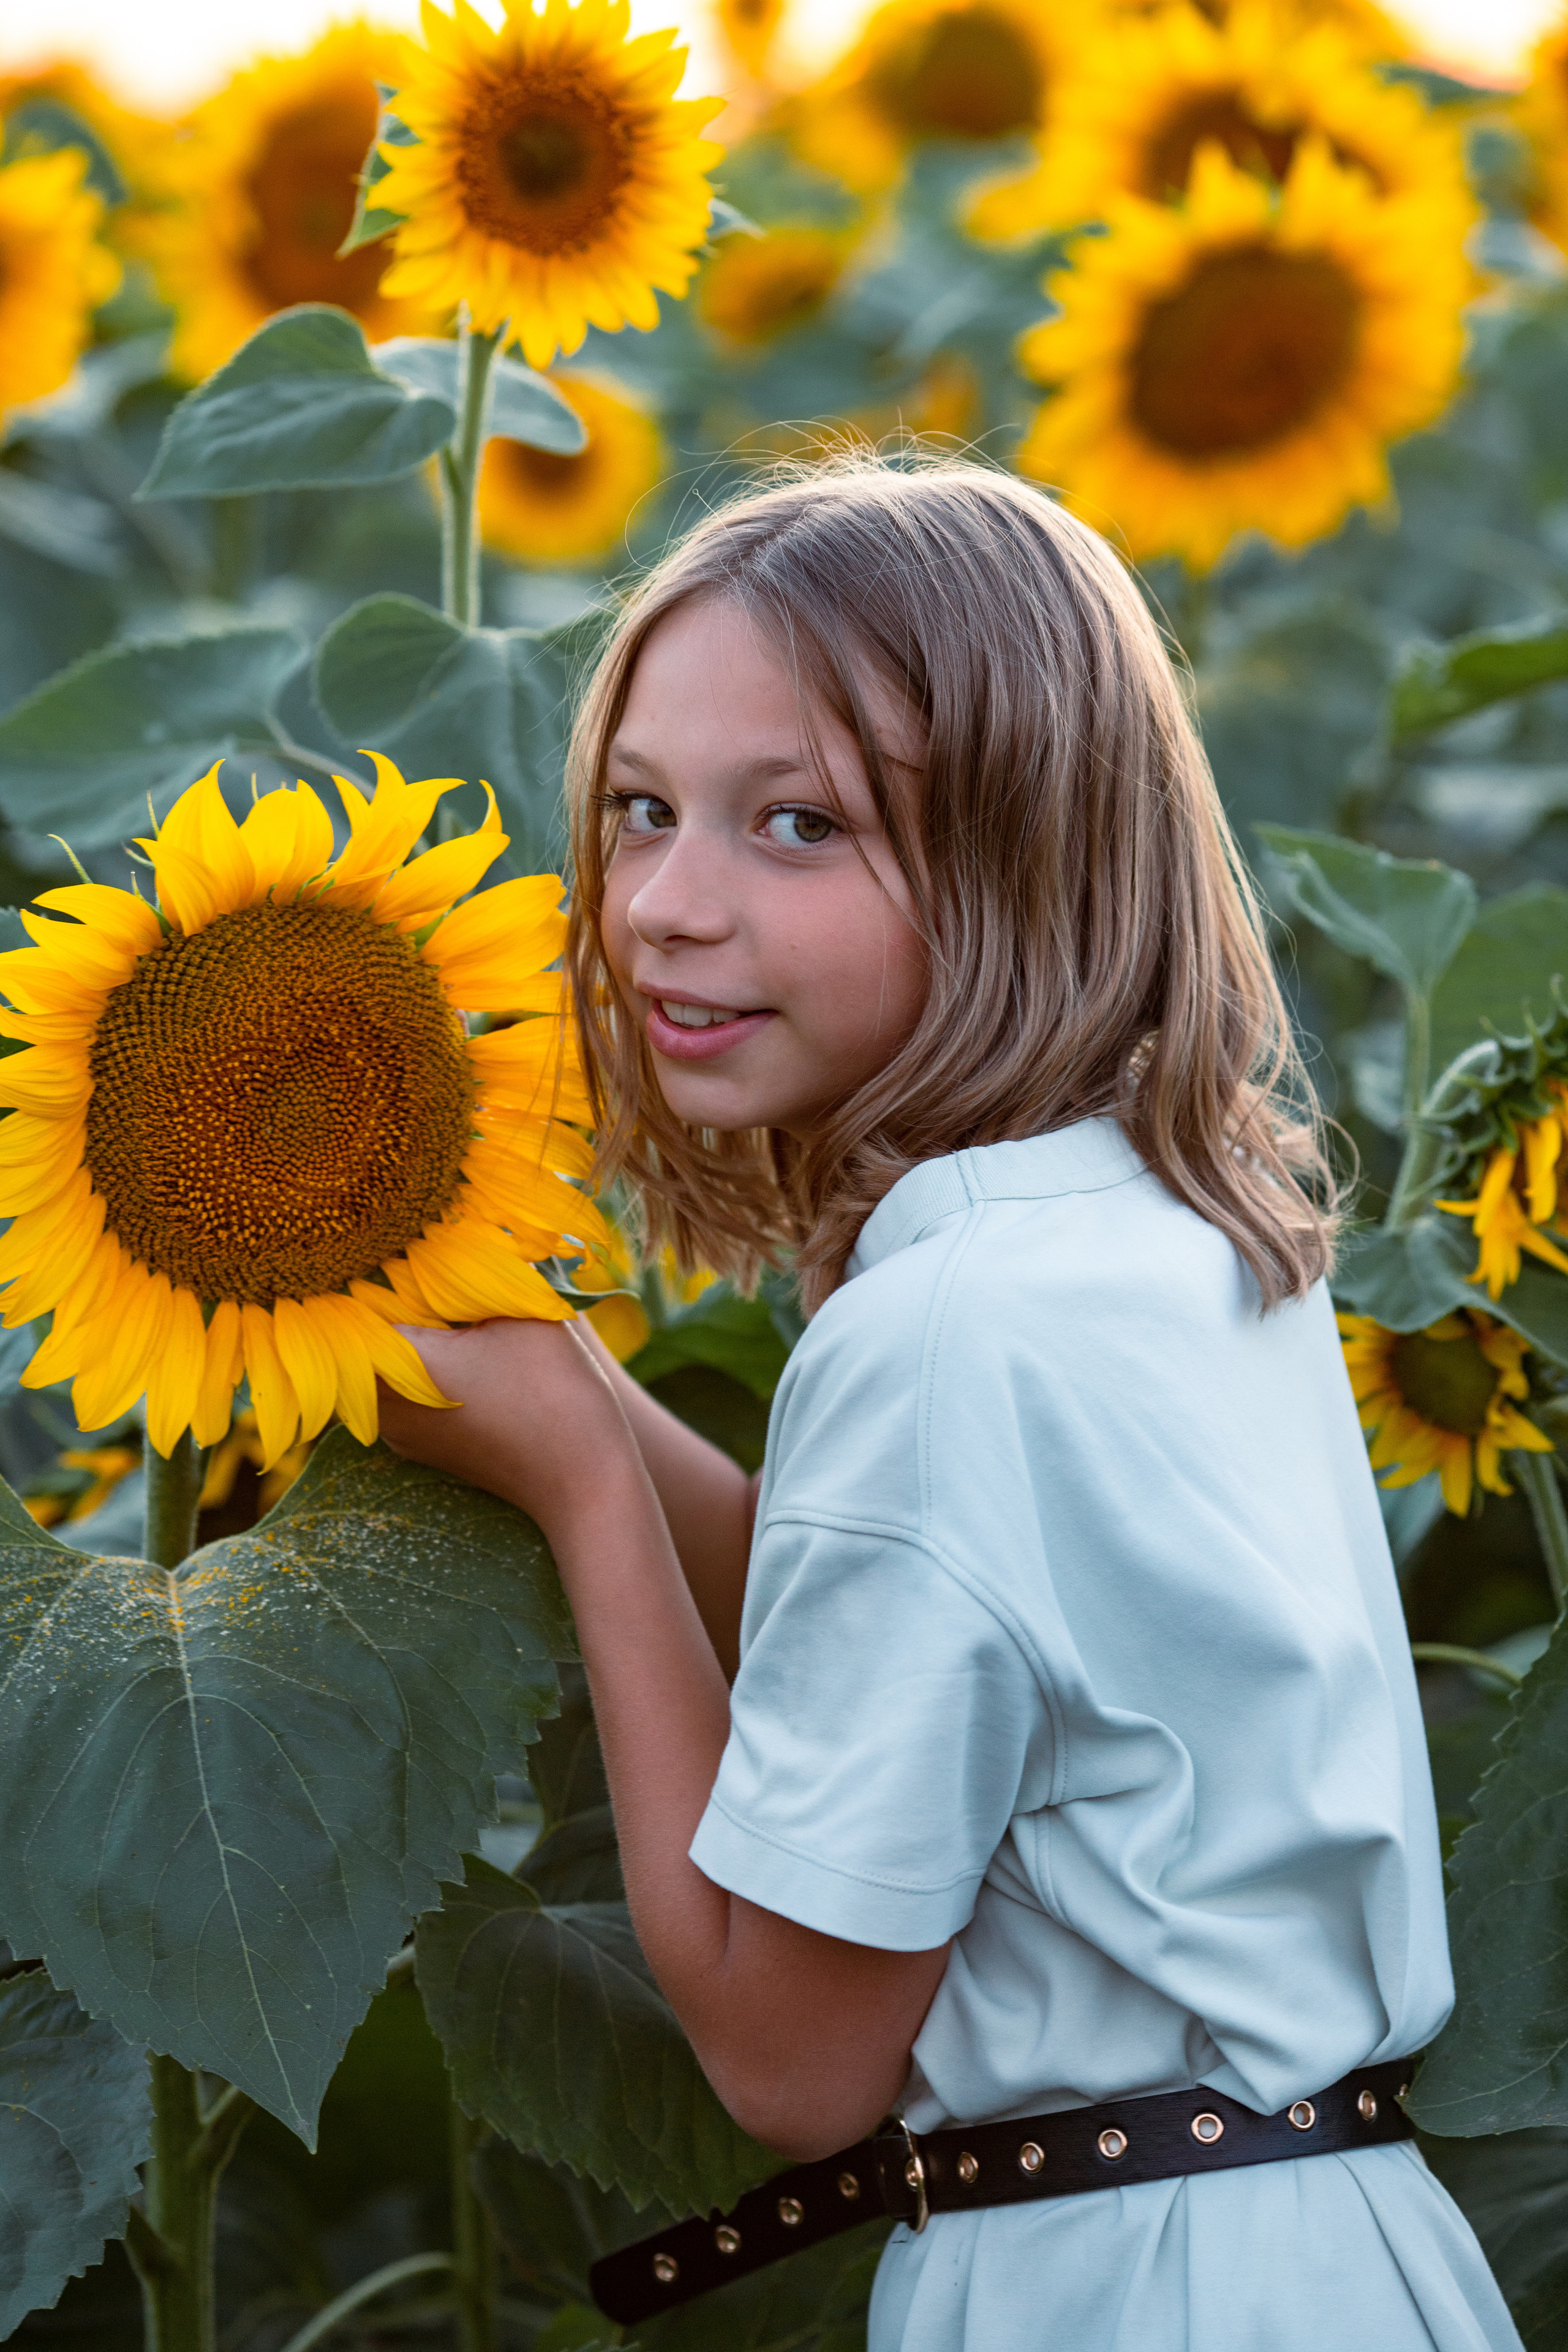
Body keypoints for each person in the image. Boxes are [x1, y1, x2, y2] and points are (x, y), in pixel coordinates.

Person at [377, 454, 1520, 2351]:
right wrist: (579, 1379)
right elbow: (922, 1643)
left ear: (1032, 859)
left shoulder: (948, 1335)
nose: (663, 901)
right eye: (642, 808)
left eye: (799, 825)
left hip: (1122, 2282)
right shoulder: (1179, 1232)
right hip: (1335, 2249)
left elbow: (787, 2056)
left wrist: (582, 1486)